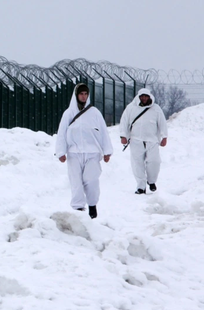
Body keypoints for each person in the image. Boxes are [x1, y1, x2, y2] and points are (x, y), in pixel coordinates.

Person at [55, 83, 113, 219]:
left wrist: (107, 151)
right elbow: (62, 133)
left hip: (92, 152)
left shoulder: (94, 113)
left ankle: (92, 204)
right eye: (81, 94)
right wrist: (61, 152)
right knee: (75, 181)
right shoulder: (68, 113)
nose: (83, 96)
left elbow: (103, 132)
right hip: (74, 153)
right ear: (76, 95)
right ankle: (78, 208)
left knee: (91, 179)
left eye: (86, 94)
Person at [119, 88, 168, 194]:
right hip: (136, 140)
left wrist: (164, 137)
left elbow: (162, 123)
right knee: (137, 164)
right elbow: (124, 121)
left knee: (154, 161)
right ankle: (141, 186)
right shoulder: (131, 108)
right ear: (139, 97)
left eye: (146, 96)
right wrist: (123, 135)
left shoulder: (156, 109)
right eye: (142, 96)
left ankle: (151, 181)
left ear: (149, 97)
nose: (144, 98)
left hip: (152, 140)